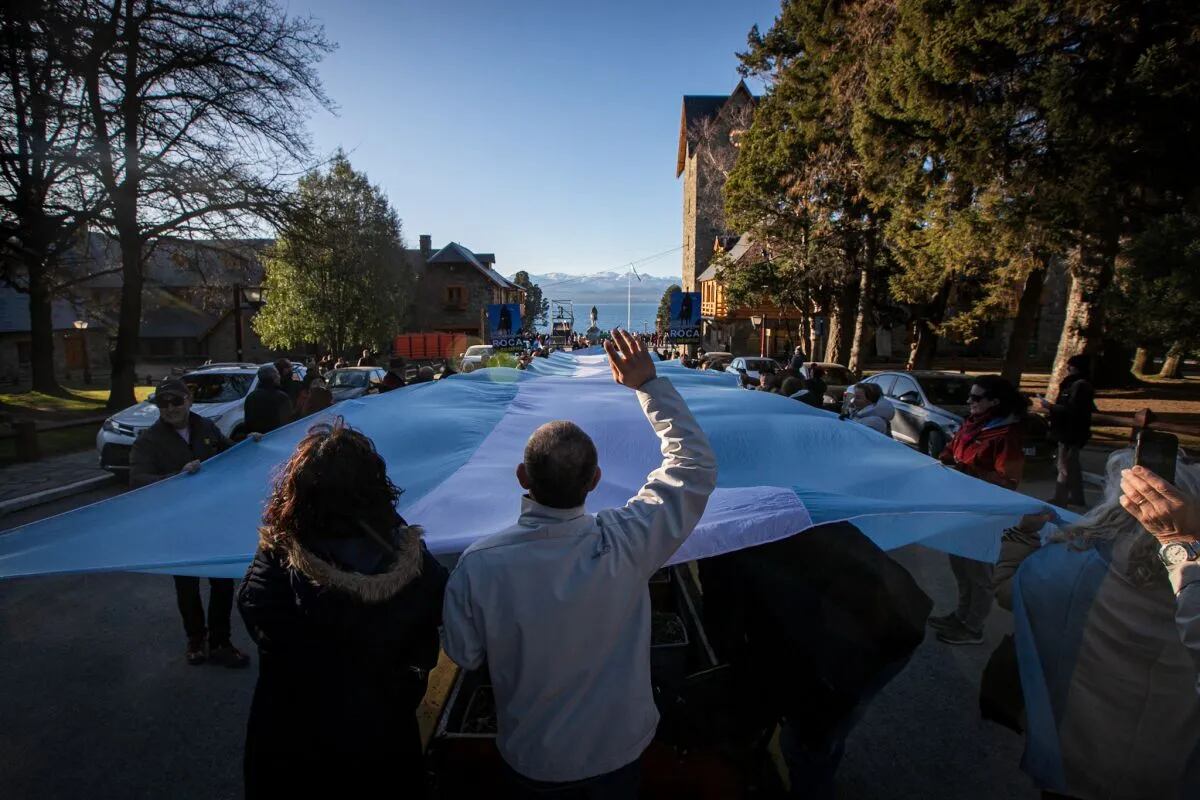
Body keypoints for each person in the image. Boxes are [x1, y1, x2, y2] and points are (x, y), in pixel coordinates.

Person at [441, 329, 717, 796]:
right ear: (595, 480)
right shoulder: (629, 543)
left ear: (522, 477)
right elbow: (693, 465)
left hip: (532, 760)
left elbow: (465, 654)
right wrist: (648, 387)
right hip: (620, 753)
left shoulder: (478, 566)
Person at [238, 421, 447, 799]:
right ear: (374, 490)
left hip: (293, 748)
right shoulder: (416, 570)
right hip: (382, 742)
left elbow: (259, 616)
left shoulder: (274, 572)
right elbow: (425, 642)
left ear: (298, 494)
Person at [995, 452, 1200, 799]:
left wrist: (1020, 536)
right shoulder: (1191, 582)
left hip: (1077, 756)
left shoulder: (1074, 563)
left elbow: (1011, 591)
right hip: (1171, 768)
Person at [700, 522, 931, 800]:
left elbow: (733, 641)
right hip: (897, 610)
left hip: (867, 639)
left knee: (806, 743)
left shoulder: (721, 547)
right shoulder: (775, 507)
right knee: (822, 729)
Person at [130, 377, 250, 668]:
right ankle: (196, 641)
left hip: (214, 521)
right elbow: (137, 480)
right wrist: (176, 476)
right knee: (187, 587)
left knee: (222, 585)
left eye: (176, 401)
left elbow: (228, 452)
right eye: (163, 403)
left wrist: (251, 444)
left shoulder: (206, 427)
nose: (170, 408)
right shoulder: (149, 440)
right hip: (178, 527)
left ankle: (221, 642)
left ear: (188, 401)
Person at [930, 375, 1027, 645]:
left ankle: (973, 626)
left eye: (976, 398)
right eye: (970, 396)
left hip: (984, 511)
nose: (969, 402)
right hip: (959, 505)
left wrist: (965, 473)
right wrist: (944, 461)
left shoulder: (1007, 433)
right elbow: (952, 450)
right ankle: (961, 615)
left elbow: (1008, 480)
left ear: (994, 402)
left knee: (978, 571)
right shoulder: (972, 425)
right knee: (959, 565)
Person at [1038, 353, 1095, 508]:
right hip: (1069, 429)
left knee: (1064, 466)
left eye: (1071, 365)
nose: (1068, 368)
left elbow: (1073, 410)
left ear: (1076, 367)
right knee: (1072, 466)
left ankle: (1059, 498)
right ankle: (1077, 498)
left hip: (1071, 431)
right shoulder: (1077, 384)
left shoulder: (1080, 386)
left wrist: (1050, 407)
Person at [243, 364, 293, 435]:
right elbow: (288, 423)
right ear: (274, 378)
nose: (279, 377)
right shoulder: (281, 397)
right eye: (278, 374)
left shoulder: (251, 397)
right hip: (277, 439)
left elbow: (248, 424)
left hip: (256, 440)